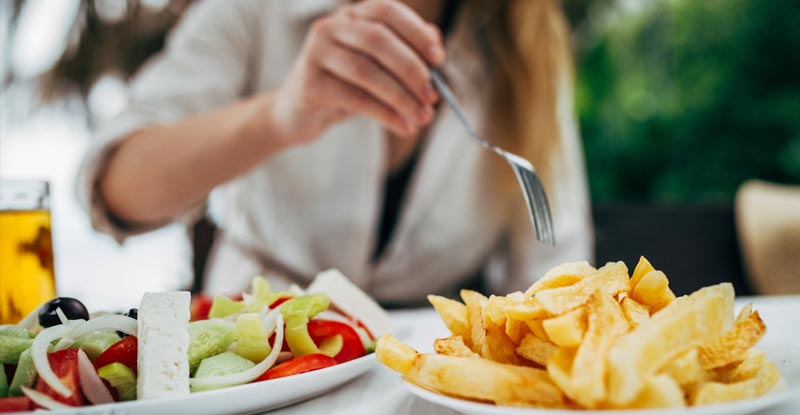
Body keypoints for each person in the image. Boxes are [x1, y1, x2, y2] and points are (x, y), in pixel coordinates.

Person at [78, 0, 592, 305]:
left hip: (425, 381)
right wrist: (280, 114)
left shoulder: (527, 48)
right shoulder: (254, 11)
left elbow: (555, 275)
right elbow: (118, 189)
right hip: (256, 357)